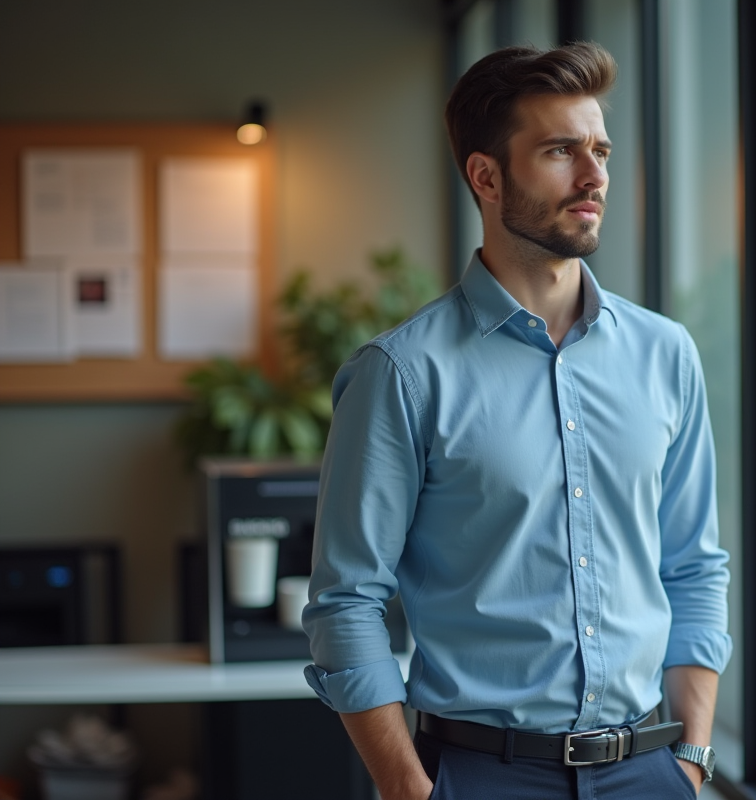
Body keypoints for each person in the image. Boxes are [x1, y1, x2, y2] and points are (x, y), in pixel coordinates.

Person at [302, 41, 731, 800]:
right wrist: (407, 788)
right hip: (477, 774)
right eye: (561, 151)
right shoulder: (401, 374)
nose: (595, 174)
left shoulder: (666, 353)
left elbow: (693, 566)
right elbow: (347, 601)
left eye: (599, 149)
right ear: (486, 176)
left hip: (649, 773)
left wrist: (691, 762)